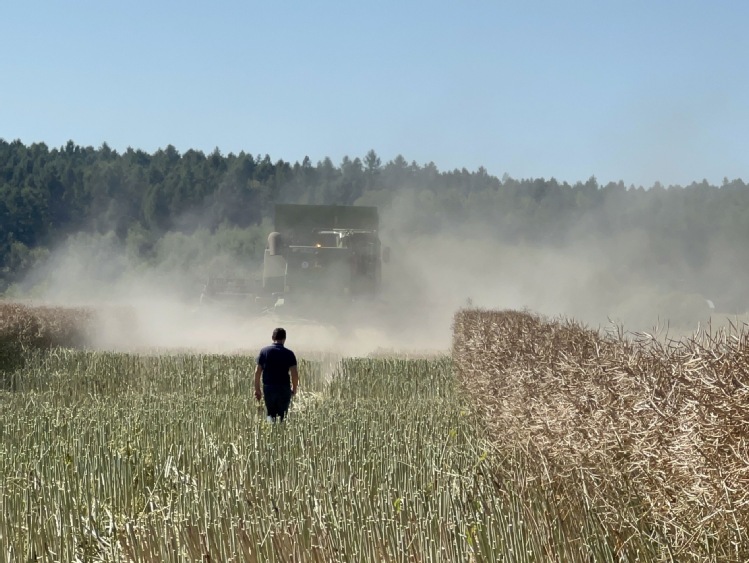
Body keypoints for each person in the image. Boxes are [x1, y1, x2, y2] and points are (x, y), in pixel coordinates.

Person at [254, 327, 299, 422]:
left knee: (270, 414)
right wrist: (294, 388)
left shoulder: (264, 351)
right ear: (284, 339)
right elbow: (294, 374)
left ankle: (271, 434)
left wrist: (257, 390)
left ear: (272, 338)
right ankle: (281, 433)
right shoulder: (289, 353)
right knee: (283, 416)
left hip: (269, 388)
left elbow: (257, 372)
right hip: (284, 388)